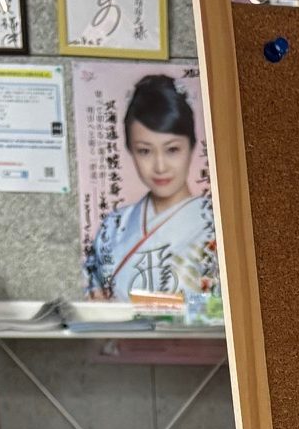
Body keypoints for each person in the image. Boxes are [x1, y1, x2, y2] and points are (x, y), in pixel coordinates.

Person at [84, 72, 215, 302]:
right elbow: (93, 294)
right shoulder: (113, 226)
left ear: (192, 146)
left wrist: (139, 308)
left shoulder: (217, 225)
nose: (160, 166)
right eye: (145, 151)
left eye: (172, 149)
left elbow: (225, 307)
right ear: (130, 150)